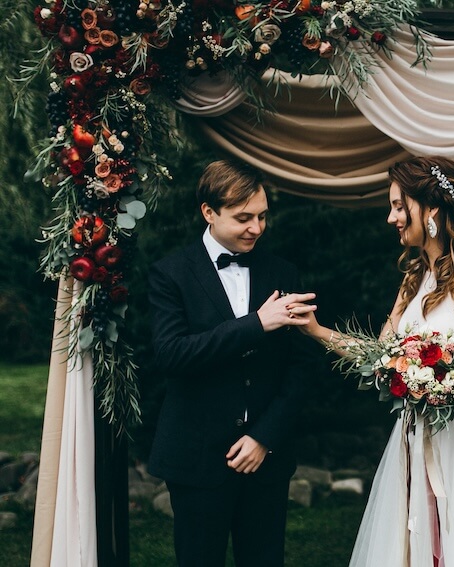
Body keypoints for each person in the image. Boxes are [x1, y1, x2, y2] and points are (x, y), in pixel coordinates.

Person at [298, 156, 454, 566]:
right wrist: (317, 330)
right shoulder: (414, 278)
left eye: (398, 205)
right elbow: (380, 357)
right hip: (419, 435)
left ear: (431, 209)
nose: (391, 217)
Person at [146, 159, 318, 567]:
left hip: (267, 458)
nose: (256, 228)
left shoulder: (282, 272)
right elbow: (172, 355)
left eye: (262, 216)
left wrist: (265, 437)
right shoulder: (170, 274)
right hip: (196, 456)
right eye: (243, 218)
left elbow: (303, 367)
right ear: (209, 212)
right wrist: (257, 324)